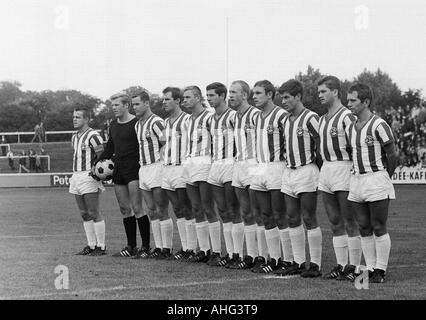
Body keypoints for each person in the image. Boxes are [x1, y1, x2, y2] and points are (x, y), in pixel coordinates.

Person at [346, 83, 398, 283]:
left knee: (378, 226)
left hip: (375, 179)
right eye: (348, 100)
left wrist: (385, 176)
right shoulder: (351, 126)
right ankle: (369, 268)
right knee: (364, 227)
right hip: (356, 180)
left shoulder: (379, 124)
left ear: (365, 102)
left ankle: (381, 270)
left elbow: (392, 155)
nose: (349, 104)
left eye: (353, 100)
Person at [317, 76, 362, 281]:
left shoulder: (347, 116)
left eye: (323, 91)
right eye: (319, 92)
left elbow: (356, 145)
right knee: (334, 221)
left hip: (343, 167)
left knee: (349, 220)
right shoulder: (321, 118)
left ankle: (355, 267)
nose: (320, 95)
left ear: (335, 92)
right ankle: (341, 265)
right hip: (326, 169)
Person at [97, 92, 150, 258]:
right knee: (124, 209)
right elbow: (110, 148)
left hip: (134, 169)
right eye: (112, 106)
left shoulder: (136, 123)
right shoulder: (113, 125)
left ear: (126, 105)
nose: (114, 108)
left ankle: (146, 247)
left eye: (117, 105)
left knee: (138, 208)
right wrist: (97, 163)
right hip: (119, 170)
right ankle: (131, 246)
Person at [278, 79, 323, 278]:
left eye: (287, 97)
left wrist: (318, 170)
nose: (284, 101)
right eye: (282, 97)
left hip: (307, 170)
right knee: (292, 217)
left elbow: (320, 146)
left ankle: (315, 264)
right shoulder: (285, 120)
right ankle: (297, 262)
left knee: (309, 217)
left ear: (298, 97)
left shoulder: (311, 117)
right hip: (289, 172)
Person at [249, 80, 290, 274]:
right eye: (253, 93)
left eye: (258, 93)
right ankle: (273, 258)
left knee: (280, 215)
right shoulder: (257, 117)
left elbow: (289, 143)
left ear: (270, 95)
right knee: (265, 215)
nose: (254, 96)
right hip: (259, 167)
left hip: (276, 166)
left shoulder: (282, 115)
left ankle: (288, 260)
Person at [133, 90, 173, 259]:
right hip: (143, 169)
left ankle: (167, 249)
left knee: (161, 208)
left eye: (137, 104)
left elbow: (167, 143)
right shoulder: (137, 125)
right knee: (151, 210)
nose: (134, 107)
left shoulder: (156, 122)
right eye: (133, 105)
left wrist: (163, 164)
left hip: (157, 166)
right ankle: (158, 247)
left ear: (146, 103)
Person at [205, 82, 240, 267]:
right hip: (216, 165)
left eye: (212, 95)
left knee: (234, 210)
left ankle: (239, 254)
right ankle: (230, 253)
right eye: (207, 95)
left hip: (231, 164)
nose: (209, 98)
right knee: (223, 211)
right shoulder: (210, 119)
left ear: (222, 95)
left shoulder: (233, 116)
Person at [228, 80, 261, 269]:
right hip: (239, 165)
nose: (230, 95)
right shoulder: (234, 117)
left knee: (258, 212)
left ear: (245, 95)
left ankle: (263, 256)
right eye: (229, 92)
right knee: (245, 213)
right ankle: (250, 255)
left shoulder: (256, 115)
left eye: (234, 92)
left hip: (253, 165)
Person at [182, 86, 216, 263]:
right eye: (183, 98)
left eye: (188, 97)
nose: (184, 100)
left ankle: (215, 251)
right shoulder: (188, 120)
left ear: (197, 97)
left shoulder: (209, 117)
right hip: (190, 163)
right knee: (196, 208)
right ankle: (204, 249)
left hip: (204, 161)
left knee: (208, 207)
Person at [161, 87, 195, 261]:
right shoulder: (166, 122)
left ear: (178, 101)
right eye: (163, 99)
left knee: (186, 208)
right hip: (167, 168)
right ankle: (185, 247)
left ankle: (193, 248)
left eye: (167, 99)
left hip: (182, 168)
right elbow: (163, 143)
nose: (164, 102)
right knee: (177, 209)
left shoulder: (188, 120)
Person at [70, 106, 106, 256]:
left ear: (86, 119)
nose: (74, 119)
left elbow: (101, 155)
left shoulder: (93, 135)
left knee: (93, 211)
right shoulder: (74, 136)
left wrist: (95, 171)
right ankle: (91, 245)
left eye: (78, 117)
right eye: (73, 117)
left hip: (89, 176)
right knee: (84, 213)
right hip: (76, 175)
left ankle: (101, 246)